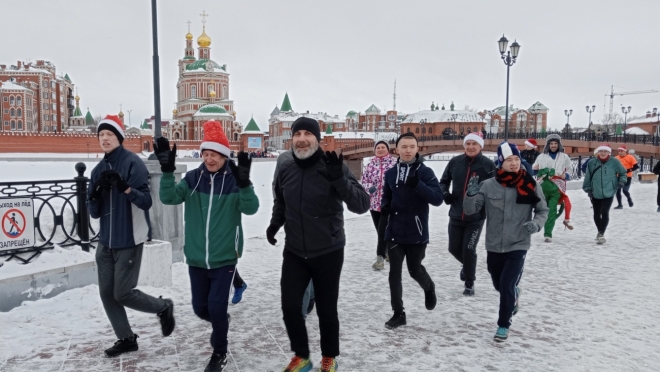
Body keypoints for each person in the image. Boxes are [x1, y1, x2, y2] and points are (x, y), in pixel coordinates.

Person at [267, 117, 369, 372]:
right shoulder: (286, 167)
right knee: (290, 306)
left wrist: (340, 181)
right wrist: (274, 224)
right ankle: (302, 356)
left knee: (326, 308)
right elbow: (281, 201)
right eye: (297, 133)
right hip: (294, 250)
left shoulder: (334, 166)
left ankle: (329, 357)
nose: (302, 138)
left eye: (307, 133)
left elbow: (362, 204)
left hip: (328, 249)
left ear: (317, 138)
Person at [157, 120, 259, 372]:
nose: (210, 159)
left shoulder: (235, 180)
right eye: (206, 154)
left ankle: (219, 352)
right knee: (200, 308)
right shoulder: (192, 178)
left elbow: (251, 208)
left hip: (225, 257)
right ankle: (221, 322)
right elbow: (168, 198)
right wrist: (167, 172)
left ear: (224, 156)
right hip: (196, 258)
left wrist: (245, 185)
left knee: (215, 306)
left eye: (215, 154)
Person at [88, 115, 175, 357]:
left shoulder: (132, 163)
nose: (105, 139)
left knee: (122, 292)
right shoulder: (97, 170)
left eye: (109, 134)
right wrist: (95, 195)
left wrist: (124, 187)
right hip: (105, 242)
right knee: (106, 293)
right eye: (101, 135)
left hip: (129, 238)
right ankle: (126, 339)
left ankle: (163, 307)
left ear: (119, 137)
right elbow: (93, 212)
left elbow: (146, 201)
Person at [463, 142, 548, 342]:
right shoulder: (488, 185)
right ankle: (514, 294)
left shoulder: (530, 184)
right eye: (509, 160)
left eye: (517, 160)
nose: (514, 164)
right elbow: (470, 210)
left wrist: (536, 224)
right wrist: (470, 194)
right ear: (500, 163)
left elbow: (542, 210)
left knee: (507, 284)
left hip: (518, 243)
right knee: (499, 283)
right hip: (493, 244)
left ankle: (503, 324)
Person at [381, 132, 443, 329]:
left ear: (417, 149)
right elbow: (387, 196)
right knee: (394, 273)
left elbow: (437, 199)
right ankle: (398, 313)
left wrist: (418, 185)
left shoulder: (425, 173)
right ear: (397, 150)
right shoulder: (390, 173)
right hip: (395, 231)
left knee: (414, 270)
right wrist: (385, 205)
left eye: (411, 146)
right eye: (404, 147)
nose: (407, 150)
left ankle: (429, 287)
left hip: (417, 231)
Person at [439, 132, 496, 296]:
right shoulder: (455, 162)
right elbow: (443, 181)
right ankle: (467, 266)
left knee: (469, 249)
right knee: (453, 248)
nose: (471, 147)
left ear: (480, 146)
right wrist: (445, 194)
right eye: (468, 144)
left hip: (476, 217)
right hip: (456, 214)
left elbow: (494, 188)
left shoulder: (488, 165)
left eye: (474, 144)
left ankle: (469, 282)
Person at [361, 140, 397, 270]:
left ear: (388, 149)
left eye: (383, 147)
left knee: (382, 230)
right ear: (375, 150)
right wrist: (370, 188)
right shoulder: (370, 165)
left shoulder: (394, 164)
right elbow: (364, 181)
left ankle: (380, 259)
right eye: (378, 147)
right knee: (379, 230)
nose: (380, 149)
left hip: (388, 203)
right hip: (374, 203)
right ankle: (388, 252)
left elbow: (398, 182)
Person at [582, 144, 627, 244]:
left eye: (605, 151)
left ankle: (601, 233)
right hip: (595, 191)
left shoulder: (614, 162)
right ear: (598, 152)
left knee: (605, 211)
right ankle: (600, 231)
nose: (603, 153)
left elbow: (623, 173)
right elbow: (588, 176)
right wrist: (587, 188)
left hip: (609, 191)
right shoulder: (592, 162)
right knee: (596, 213)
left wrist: (621, 182)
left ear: (609, 152)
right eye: (601, 151)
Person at [532, 134, 574, 242]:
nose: (553, 145)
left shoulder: (564, 156)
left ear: (559, 144)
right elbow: (534, 168)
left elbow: (570, 168)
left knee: (552, 209)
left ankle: (548, 233)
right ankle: (534, 225)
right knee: (541, 209)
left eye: (555, 143)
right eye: (551, 143)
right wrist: (536, 170)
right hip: (542, 185)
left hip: (556, 186)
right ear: (548, 145)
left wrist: (567, 175)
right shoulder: (541, 156)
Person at [614, 145, 638, 209]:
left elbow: (636, 167)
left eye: (621, 151)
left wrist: (628, 170)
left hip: (627, 176)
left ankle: (629, 199)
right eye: (619, 151)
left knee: (625, 191)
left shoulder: (630, 157)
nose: (620, 152)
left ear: (625, 151)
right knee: (617, 190)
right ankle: (620, 205)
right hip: (618, 176)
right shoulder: (616, 158)